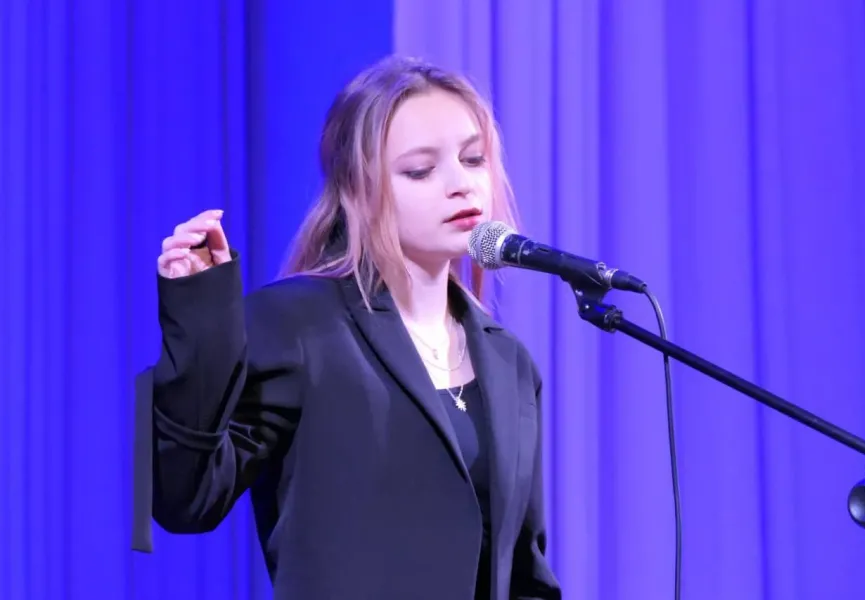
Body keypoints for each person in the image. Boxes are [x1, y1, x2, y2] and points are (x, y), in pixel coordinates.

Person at [135, 55, 562, 599]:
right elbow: (184, 498)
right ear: (359, 190)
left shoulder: (508, 363)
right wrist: (201, 320)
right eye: (420, 170)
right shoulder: (298, 326)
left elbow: (523, 572)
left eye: (473, 159)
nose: (461, 185)